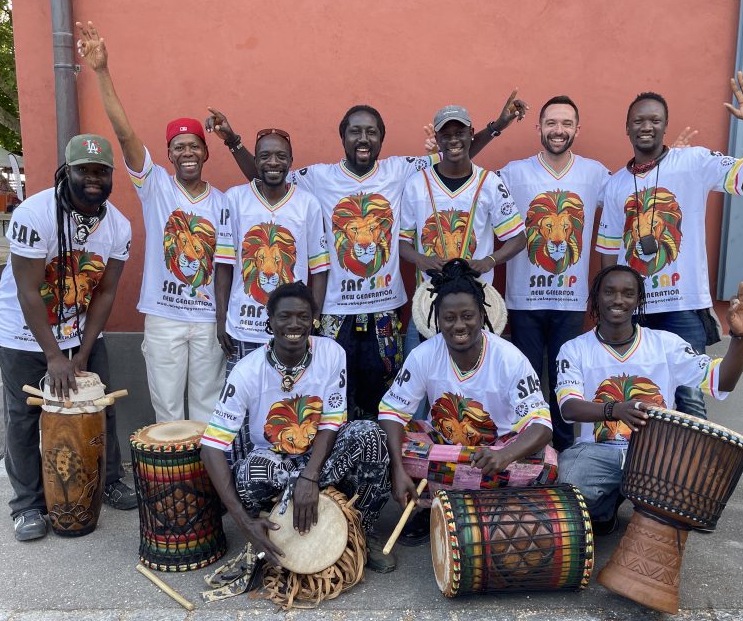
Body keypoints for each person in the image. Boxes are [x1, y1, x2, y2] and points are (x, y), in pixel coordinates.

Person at [206, 92, 527, 420]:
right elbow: (266, 174)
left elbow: (455, 151)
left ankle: (382, 452)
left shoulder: (400, 170)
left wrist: (496, 127)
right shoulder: (317, 178)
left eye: (371, 132)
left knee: (385, 401)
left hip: (384, 311)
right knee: (333, 400)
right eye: (355, 131)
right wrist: (233, 142)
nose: (363, 138)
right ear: (342, 137)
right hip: (335, 313)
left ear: (381, 139)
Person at [76, 21, 227, 424]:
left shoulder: (224, 203)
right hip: (164, 316)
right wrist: (102, 71)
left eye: (194, 145)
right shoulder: (155, 185)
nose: (187, 152)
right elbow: (125, 135)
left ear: (205, 153)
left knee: (208, 410)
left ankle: (206, 468)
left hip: (207, 319)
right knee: (168, 414)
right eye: (179, 147)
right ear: (169, 155)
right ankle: (175, 470)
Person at [596, 72, 743, 419]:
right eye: (638, 121)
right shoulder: (615, 185)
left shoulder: (693, 162)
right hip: (634, 310)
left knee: (689, 401)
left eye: (654, 120)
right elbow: (609, 253)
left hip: (683, 308)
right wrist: (606, 308)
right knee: (639, 395)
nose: (646, 126)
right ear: (627, 128)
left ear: (665, 126)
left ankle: (693, 457)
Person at [0, 134, 138, 542]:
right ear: (65, 172)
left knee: (99, 405)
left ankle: (107, 480)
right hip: (23, 333)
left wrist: (83, 352)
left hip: (78, 329)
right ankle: (28, 505)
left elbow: (105, 292)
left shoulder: (119, 225)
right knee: (24, 416)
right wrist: (55, 356)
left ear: (111, 176)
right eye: (83, 170)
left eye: (101, 171)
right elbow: (27, 291)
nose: (93, 178)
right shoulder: (34, 214)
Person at [200, 282, 394, 572]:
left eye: (303, 316)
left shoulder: (331, 353)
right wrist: (243, 522)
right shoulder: (246, 371)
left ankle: (363, 532)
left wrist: (310, 477)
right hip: (277, 465)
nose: (294, 324)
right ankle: (274, 530)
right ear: (270, 321)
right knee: (249, 474)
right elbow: (211, 446)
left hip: (322, 460)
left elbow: (332, 420)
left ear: (313, 320)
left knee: (370, 435)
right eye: (285, 316)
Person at [555, 264, 743, 534]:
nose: (618, 299)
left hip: (655, 453)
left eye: (628, 293)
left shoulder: (666, 344)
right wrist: (616, 410)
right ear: (596, 297)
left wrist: (741, 337)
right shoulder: (574, 349)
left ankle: (649, 515)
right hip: (598, 452)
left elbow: (722, 381)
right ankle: (604, 511)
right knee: (571, 487)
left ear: (639, 300)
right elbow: (569, 408)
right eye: (609, 292)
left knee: (689, 497)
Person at [378, 260, 553, 542]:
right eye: (449, 317)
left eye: (468, 316)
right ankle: (437, 507)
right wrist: (398, 468)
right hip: (444, 451)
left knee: (546, 463)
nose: (459, 325)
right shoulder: (423, 355)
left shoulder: (509, 357)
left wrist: (505, 455)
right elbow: (392, 413)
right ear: (437, 319)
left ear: (482, 315)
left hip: (495, 453)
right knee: (394, 446)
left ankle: (451, 499)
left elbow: (541, 426)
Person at [501, 95, 611, 453]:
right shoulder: (513, 173)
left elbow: (630, 196)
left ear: (578, 129)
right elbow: (473, 192)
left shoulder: (596, 173)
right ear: (539, 127)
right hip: (524, 300)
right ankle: (529, 453)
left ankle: (565, 454)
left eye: (566, 123)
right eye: (551, 123)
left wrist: (663, 167)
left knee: (566, 382)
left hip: (571, 301)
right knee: (527, 382)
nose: (558, 130)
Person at [214, 128, 329, 461]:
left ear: (291, 161)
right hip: (243, 329)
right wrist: (221, 319)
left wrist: (314, 318)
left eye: (280, 156)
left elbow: (320, 268)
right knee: (240, 409)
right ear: (256, 160)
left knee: (288, 405)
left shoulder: (307, 204)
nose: (273, 162)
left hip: (291, 331)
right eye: (264, 156)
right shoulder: (234, 199)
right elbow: (224, 264)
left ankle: (289, 474)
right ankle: (241, 474)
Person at [399, 104, 528, 355]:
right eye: (446, 135)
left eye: (459, 133)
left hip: (476, 304)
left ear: (471, 133)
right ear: (437, 139)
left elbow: (518, 238)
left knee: (476, 373)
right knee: (417, 371)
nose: (453, 140)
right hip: (428, 302)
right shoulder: (416, 183)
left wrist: (489, 261)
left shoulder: (489, 183)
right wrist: (421, 259)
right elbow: (402, 242)